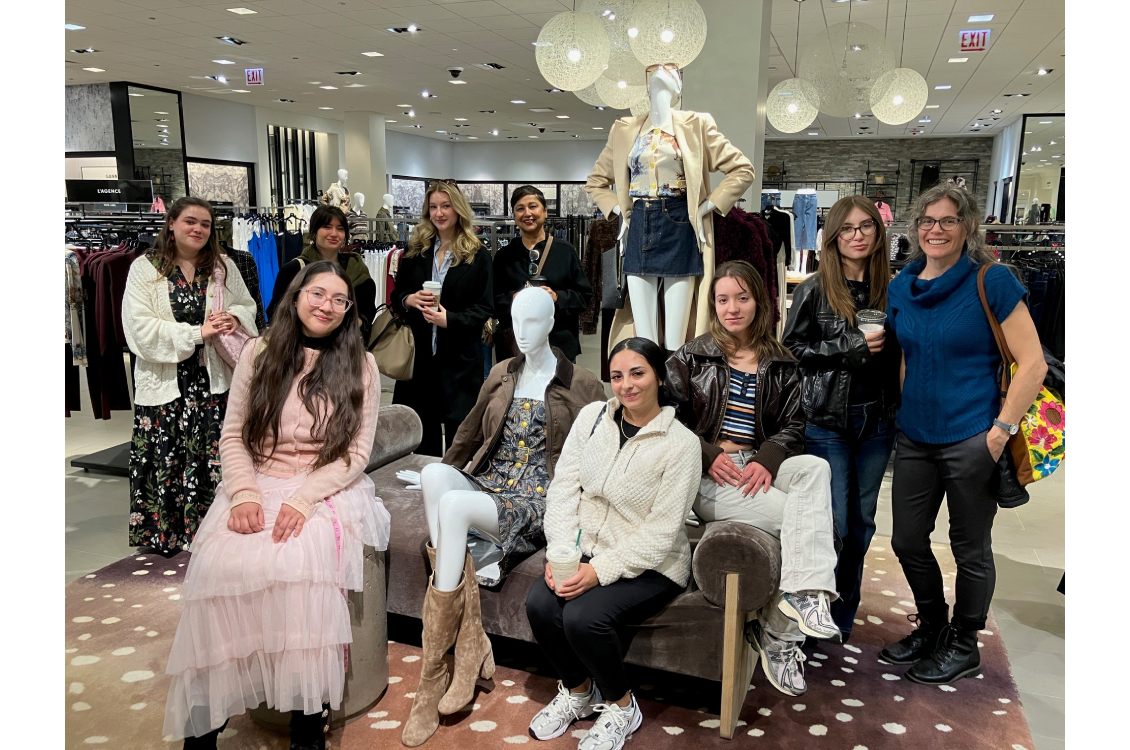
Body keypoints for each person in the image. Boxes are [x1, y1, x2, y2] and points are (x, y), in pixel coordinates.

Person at [163, 260, 390, 750]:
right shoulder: (259, 353)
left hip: (324, 484)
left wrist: (306, 498)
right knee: (219, 568)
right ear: (296, 296)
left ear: (349, 310)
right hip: (257, 478)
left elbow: (356, 456)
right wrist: (243, 492)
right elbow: (232, 434)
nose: (328, 305)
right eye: (318, 294)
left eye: (339, 300)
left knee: (297, 561)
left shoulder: (362, 365)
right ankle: (203, 729)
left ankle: (307, 727)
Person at [397, 287, 606, 747]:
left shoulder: (583, 382)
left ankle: (434, 672)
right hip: (492, 482)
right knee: (436, 477)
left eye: (533, 322)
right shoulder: (501, 372)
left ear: (551, 324)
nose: (522, 332)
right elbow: (470, 432)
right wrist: (443, 470)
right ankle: (470, 640)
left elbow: (598, 455)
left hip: (537, 496)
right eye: (515, 321)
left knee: (453, 506)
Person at [882, 184, 1046, 685]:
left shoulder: (990, 280)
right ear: (915, 228)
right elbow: (906, 356)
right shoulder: (902, 285)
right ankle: (933, 625)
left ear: (967, 228)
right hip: (915, 435)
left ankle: (964, 640)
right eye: (928, 220)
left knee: (969, 546)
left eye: (948, 221)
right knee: (907, 540)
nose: (936, 229)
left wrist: (1000, 432)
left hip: (974, 434)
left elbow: (1033, 363)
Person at [666, 260, 838, 698]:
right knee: (807, 522)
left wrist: (769, 455)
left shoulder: (781, 360)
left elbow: (795, 422)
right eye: (723, 299)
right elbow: (664, 418)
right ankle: (781, 634)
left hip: (760, 467)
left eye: (742, 297)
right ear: (713, 304)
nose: (732, 308)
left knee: (816, 469)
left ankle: (799, 600)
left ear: (759, 302)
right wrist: (705, 454)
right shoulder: (691, 355)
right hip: (712, 474)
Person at [525, 337, 700, 750]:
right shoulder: (591, 418)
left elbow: (661, 532)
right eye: (617, 376)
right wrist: (561, 553)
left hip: (653, 563)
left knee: (582, 618)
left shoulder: (682, 445)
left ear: (660, 376)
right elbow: (565, 488)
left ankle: (622, 706)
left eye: (637, 373)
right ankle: (580, 692)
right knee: (540, 604)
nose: (626, 385)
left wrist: (597, 572)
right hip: (586, 548)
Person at [781, 196, 901, 642]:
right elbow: (790, 352)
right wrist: (846, 348)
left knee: (863, 522)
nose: (857, 236)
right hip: (828, 419)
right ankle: (815, 608)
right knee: (833, 520)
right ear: (833, 236)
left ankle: (844, 612)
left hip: (878, 420)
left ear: (878, 232)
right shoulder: (814, 289)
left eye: (865, 226)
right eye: (847, 228)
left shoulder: (895, 288)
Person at [123, 196, 258, 554]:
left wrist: (233, 317)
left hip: (212, 382)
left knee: (212, 456)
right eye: (190, 222)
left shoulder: (222, 266)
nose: (198, 229)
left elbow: (248, 306)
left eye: (205, 224)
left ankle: (211, 535)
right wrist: (195, 334)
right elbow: (138, 328)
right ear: (171, 224)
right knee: (166, 454)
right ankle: (165, 535)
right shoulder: (145, 269)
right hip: (165, 384)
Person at [392, 181, 494, 456]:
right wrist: (409, 299)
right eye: (434, 207)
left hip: (459, 360)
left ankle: (455, 490)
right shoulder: (416, 251)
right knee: (419, 434)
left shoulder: (478, 256)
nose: (439, 213)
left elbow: (485, 306)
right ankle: (422, 490)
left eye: (446, 206)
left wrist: (451, 319)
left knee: (459, 435)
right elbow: (397, 294)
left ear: (458, 209)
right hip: (421, 360)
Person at [493, 185, 593, 362]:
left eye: (533, 206)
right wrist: (513, 299)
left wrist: (556, 297)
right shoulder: (504, 256)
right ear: (514, 215)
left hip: (558, 346)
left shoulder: (565, 252)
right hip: (515, 347)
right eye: (520, 208)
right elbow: (491, 299)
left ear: (545, 211)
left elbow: (584, 296)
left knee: (558, 390)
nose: (527, 213)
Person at [266, 204, 377, 343]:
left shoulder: (357, 268)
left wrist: (354, 323)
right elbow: (275, 313)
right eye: (327, 227)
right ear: (314, 232)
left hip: (344, 349)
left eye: (340, 229)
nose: (334, 234)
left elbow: (367, 312)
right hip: (300, 347)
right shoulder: (294, 270)